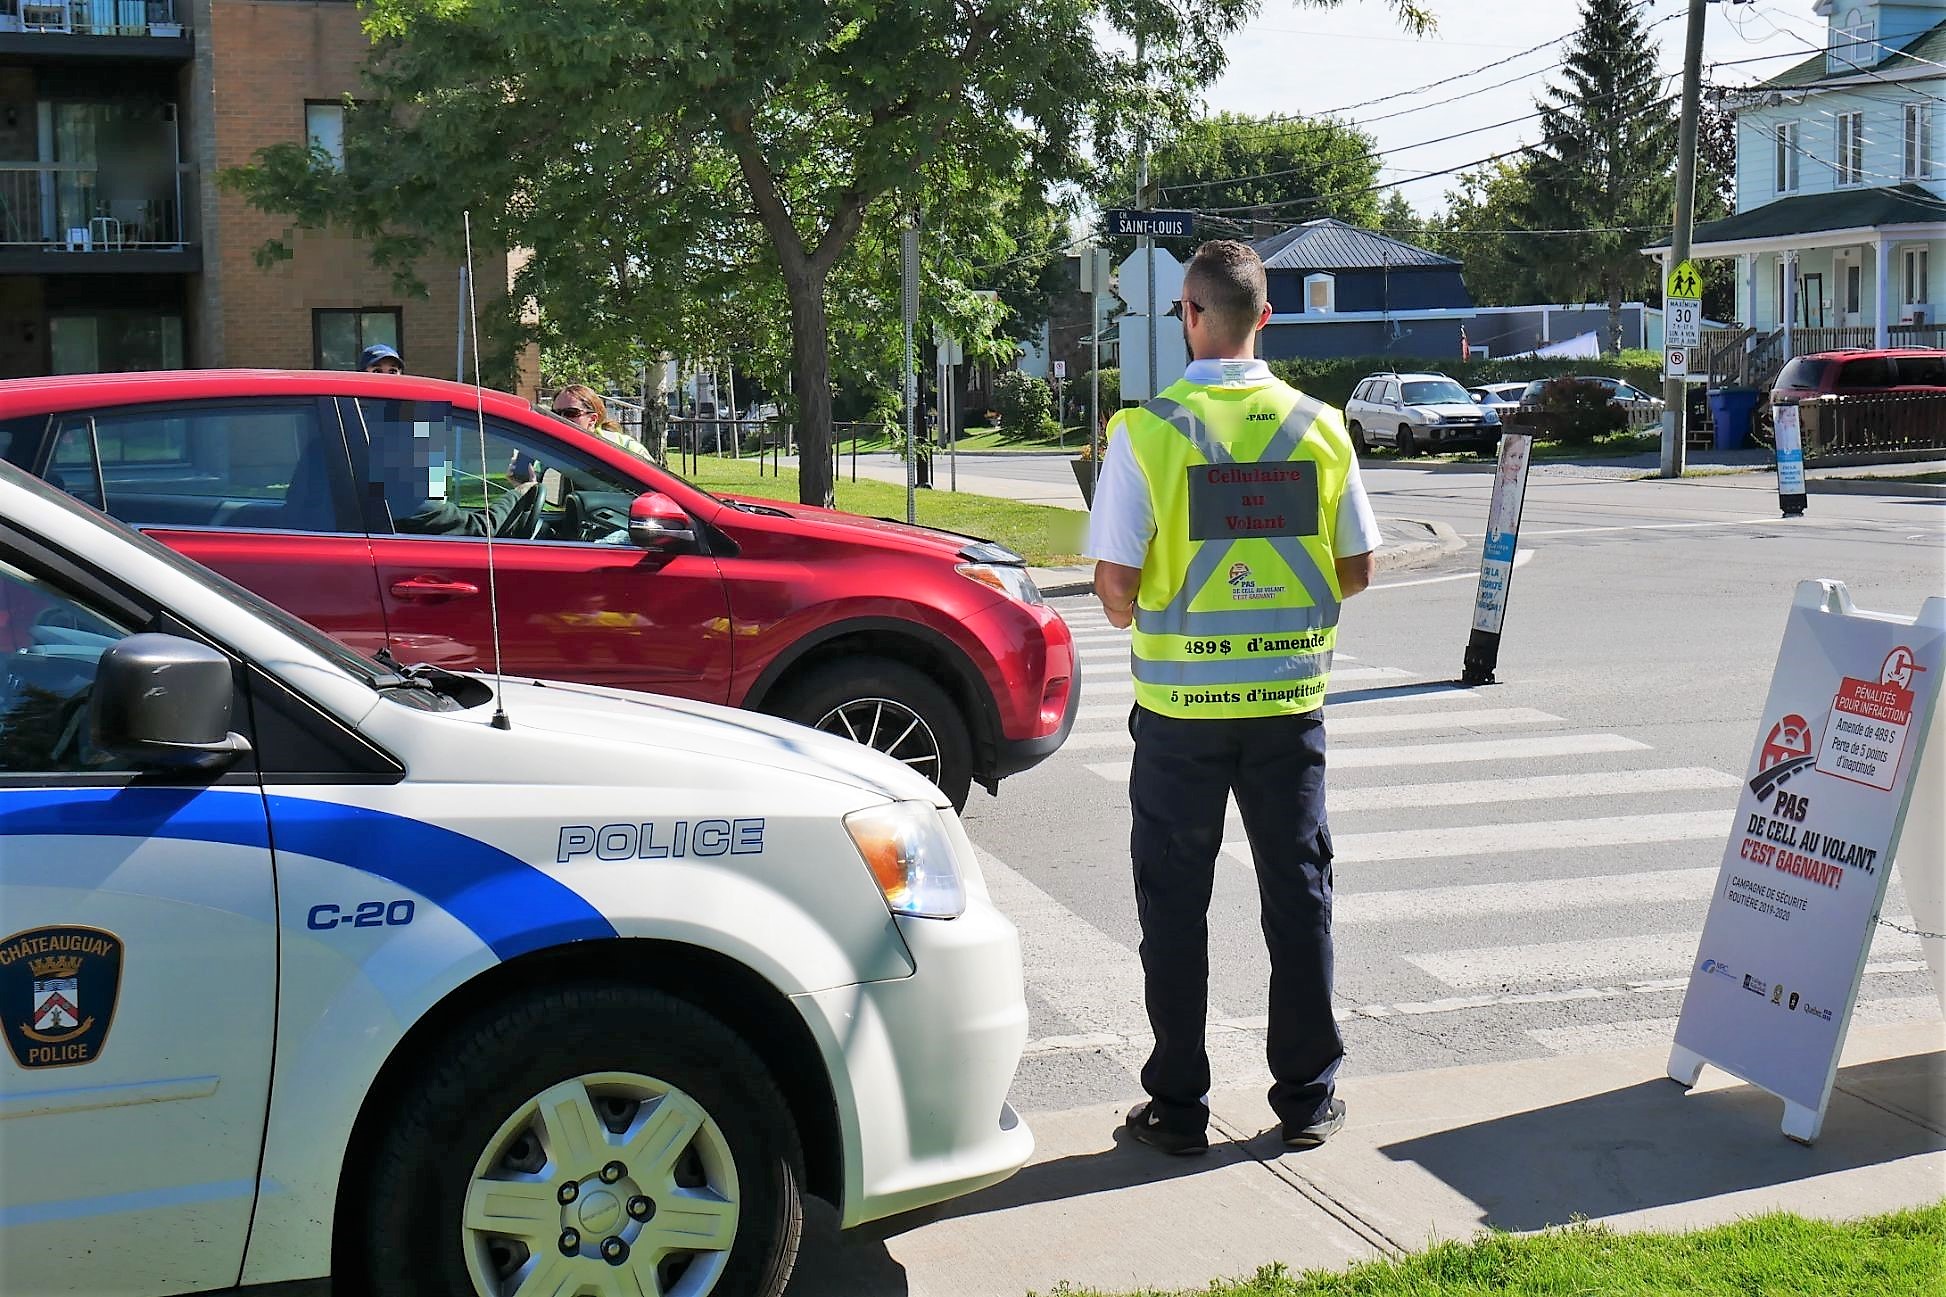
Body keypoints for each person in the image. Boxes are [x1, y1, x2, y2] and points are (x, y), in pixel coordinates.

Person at [1087, 239, 1380, 1157]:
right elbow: (1359, 569)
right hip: (1288, 708)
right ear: (1265, 319)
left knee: (1173, 908)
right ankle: (1306, 1098)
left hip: (1179, 721)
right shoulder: (1322, 428)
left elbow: (1115, 587)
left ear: (1188, 314)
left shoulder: (1146, 433)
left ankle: (1178, 1105)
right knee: (1299, 899)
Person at [552, 384, 648, 455]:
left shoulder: (627, 448)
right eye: (555, 413)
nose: (561, 418)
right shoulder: (547, 447)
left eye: (571, 413)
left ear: (592, 419)